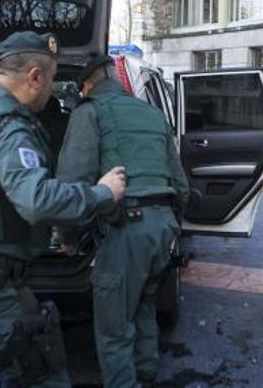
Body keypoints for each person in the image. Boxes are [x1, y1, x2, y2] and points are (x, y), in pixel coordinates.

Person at [0, 32, 128, 387]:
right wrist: (101, 193)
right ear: (34, 76)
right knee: (42, 375)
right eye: (50, 81)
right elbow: (37, 200)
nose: (50, 91)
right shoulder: (10, 127)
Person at [56, 54, 189, 388]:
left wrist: (68, 235)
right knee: (143, 305)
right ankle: (145, 373)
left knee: (113, 326)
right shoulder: (152, 113)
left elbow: (74, 178)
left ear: (87, 85)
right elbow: (180, 184)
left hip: (126, 228)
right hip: (162, 226)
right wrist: (172, 224)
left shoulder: (89, 112)